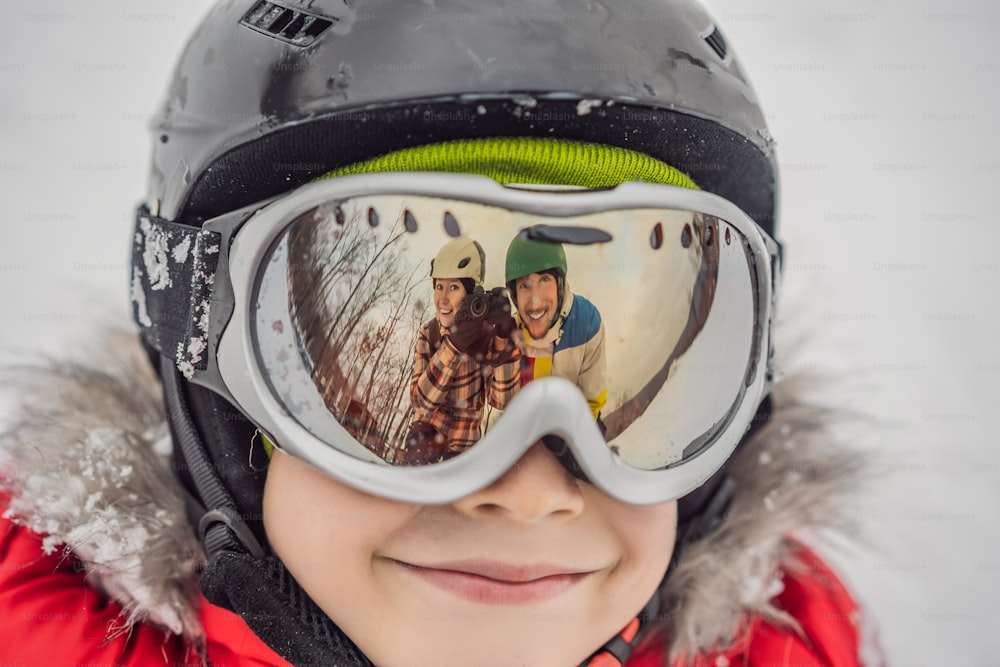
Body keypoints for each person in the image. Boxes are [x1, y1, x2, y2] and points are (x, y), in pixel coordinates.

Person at [0, 1, 880, 666]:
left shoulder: (796, 643)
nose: (528, 493)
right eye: (359, 408)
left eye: (630, 430)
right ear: (219, 409)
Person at [405, 237, 520, 463]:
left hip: (463, 456)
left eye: (454, 287)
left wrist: (505, 338)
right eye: (439, 286)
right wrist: (453, 347)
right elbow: (420, 403)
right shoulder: (428, 334)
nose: (443, 299)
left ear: (472, 293)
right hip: (423, 448)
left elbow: (503, 401)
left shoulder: (486, 337)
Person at [506, 231, 608, 422]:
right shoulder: (512, 333)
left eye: (544, 280)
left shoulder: (586, 322)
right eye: (524, 286)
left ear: (559, 284)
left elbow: (592, 400)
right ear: (514, 295)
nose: (535, 301)